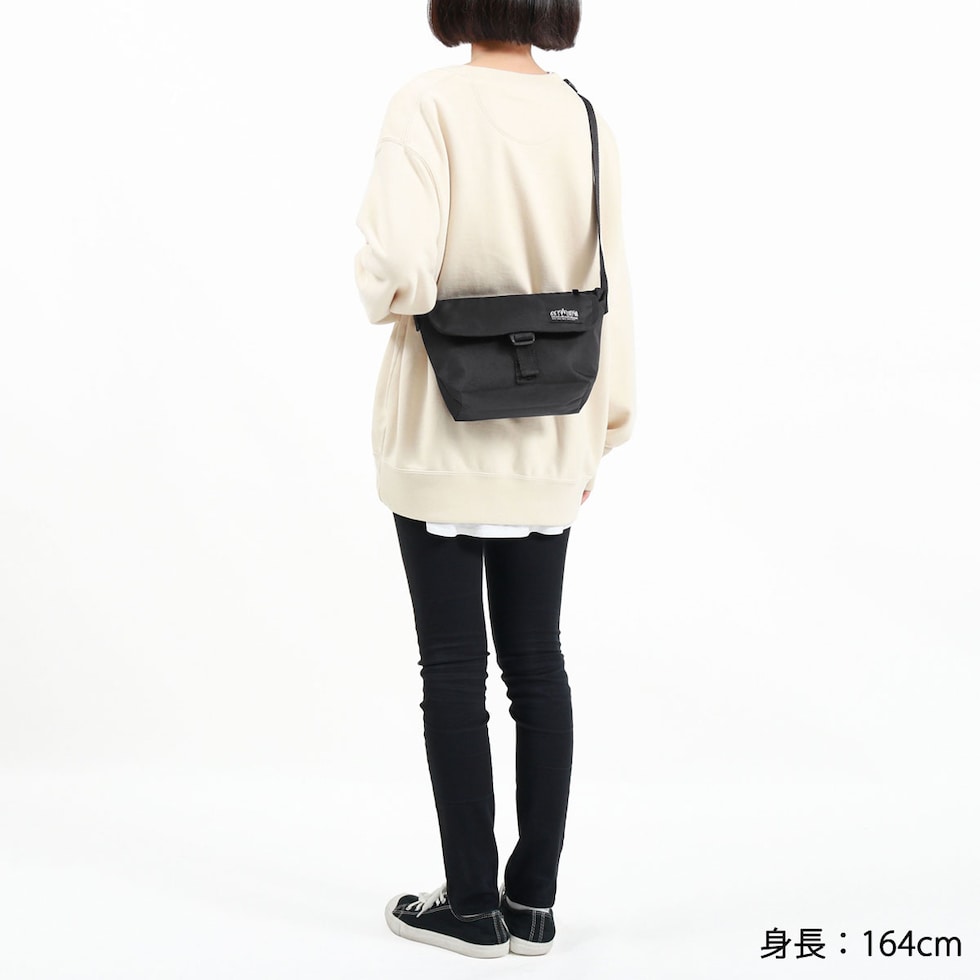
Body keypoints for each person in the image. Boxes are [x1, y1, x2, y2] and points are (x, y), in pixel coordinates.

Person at [353, 0, 635, 959]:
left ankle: (471, 905)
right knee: (536, 662)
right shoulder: (584, 117)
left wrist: (383, 284)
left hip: (442, 424)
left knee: (451, 668)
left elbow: (397, 265)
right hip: (555, 425)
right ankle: (534, 904)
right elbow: (614, 287)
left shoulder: (428, 103)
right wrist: (605, 425)